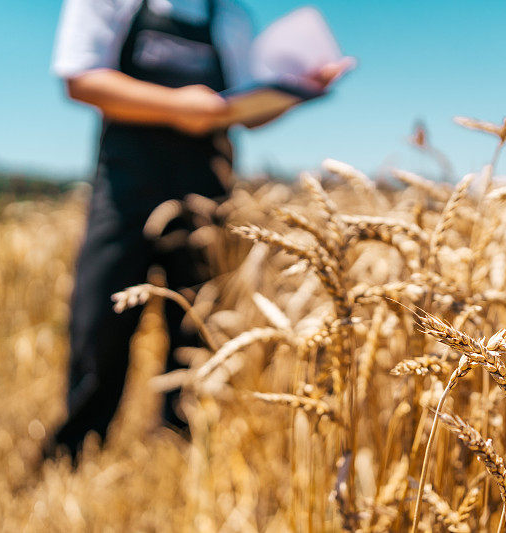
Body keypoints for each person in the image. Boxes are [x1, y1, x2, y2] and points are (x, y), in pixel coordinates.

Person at [49, 0, 350, 459]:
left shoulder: (229, 14)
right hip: (125, 187)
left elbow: (245, 109)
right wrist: (176, 107)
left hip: (207, 193)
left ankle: (175, 451)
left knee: (196, 327)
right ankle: (76, 451)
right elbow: (81, 78)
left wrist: (297, 90)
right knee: (100, 324)